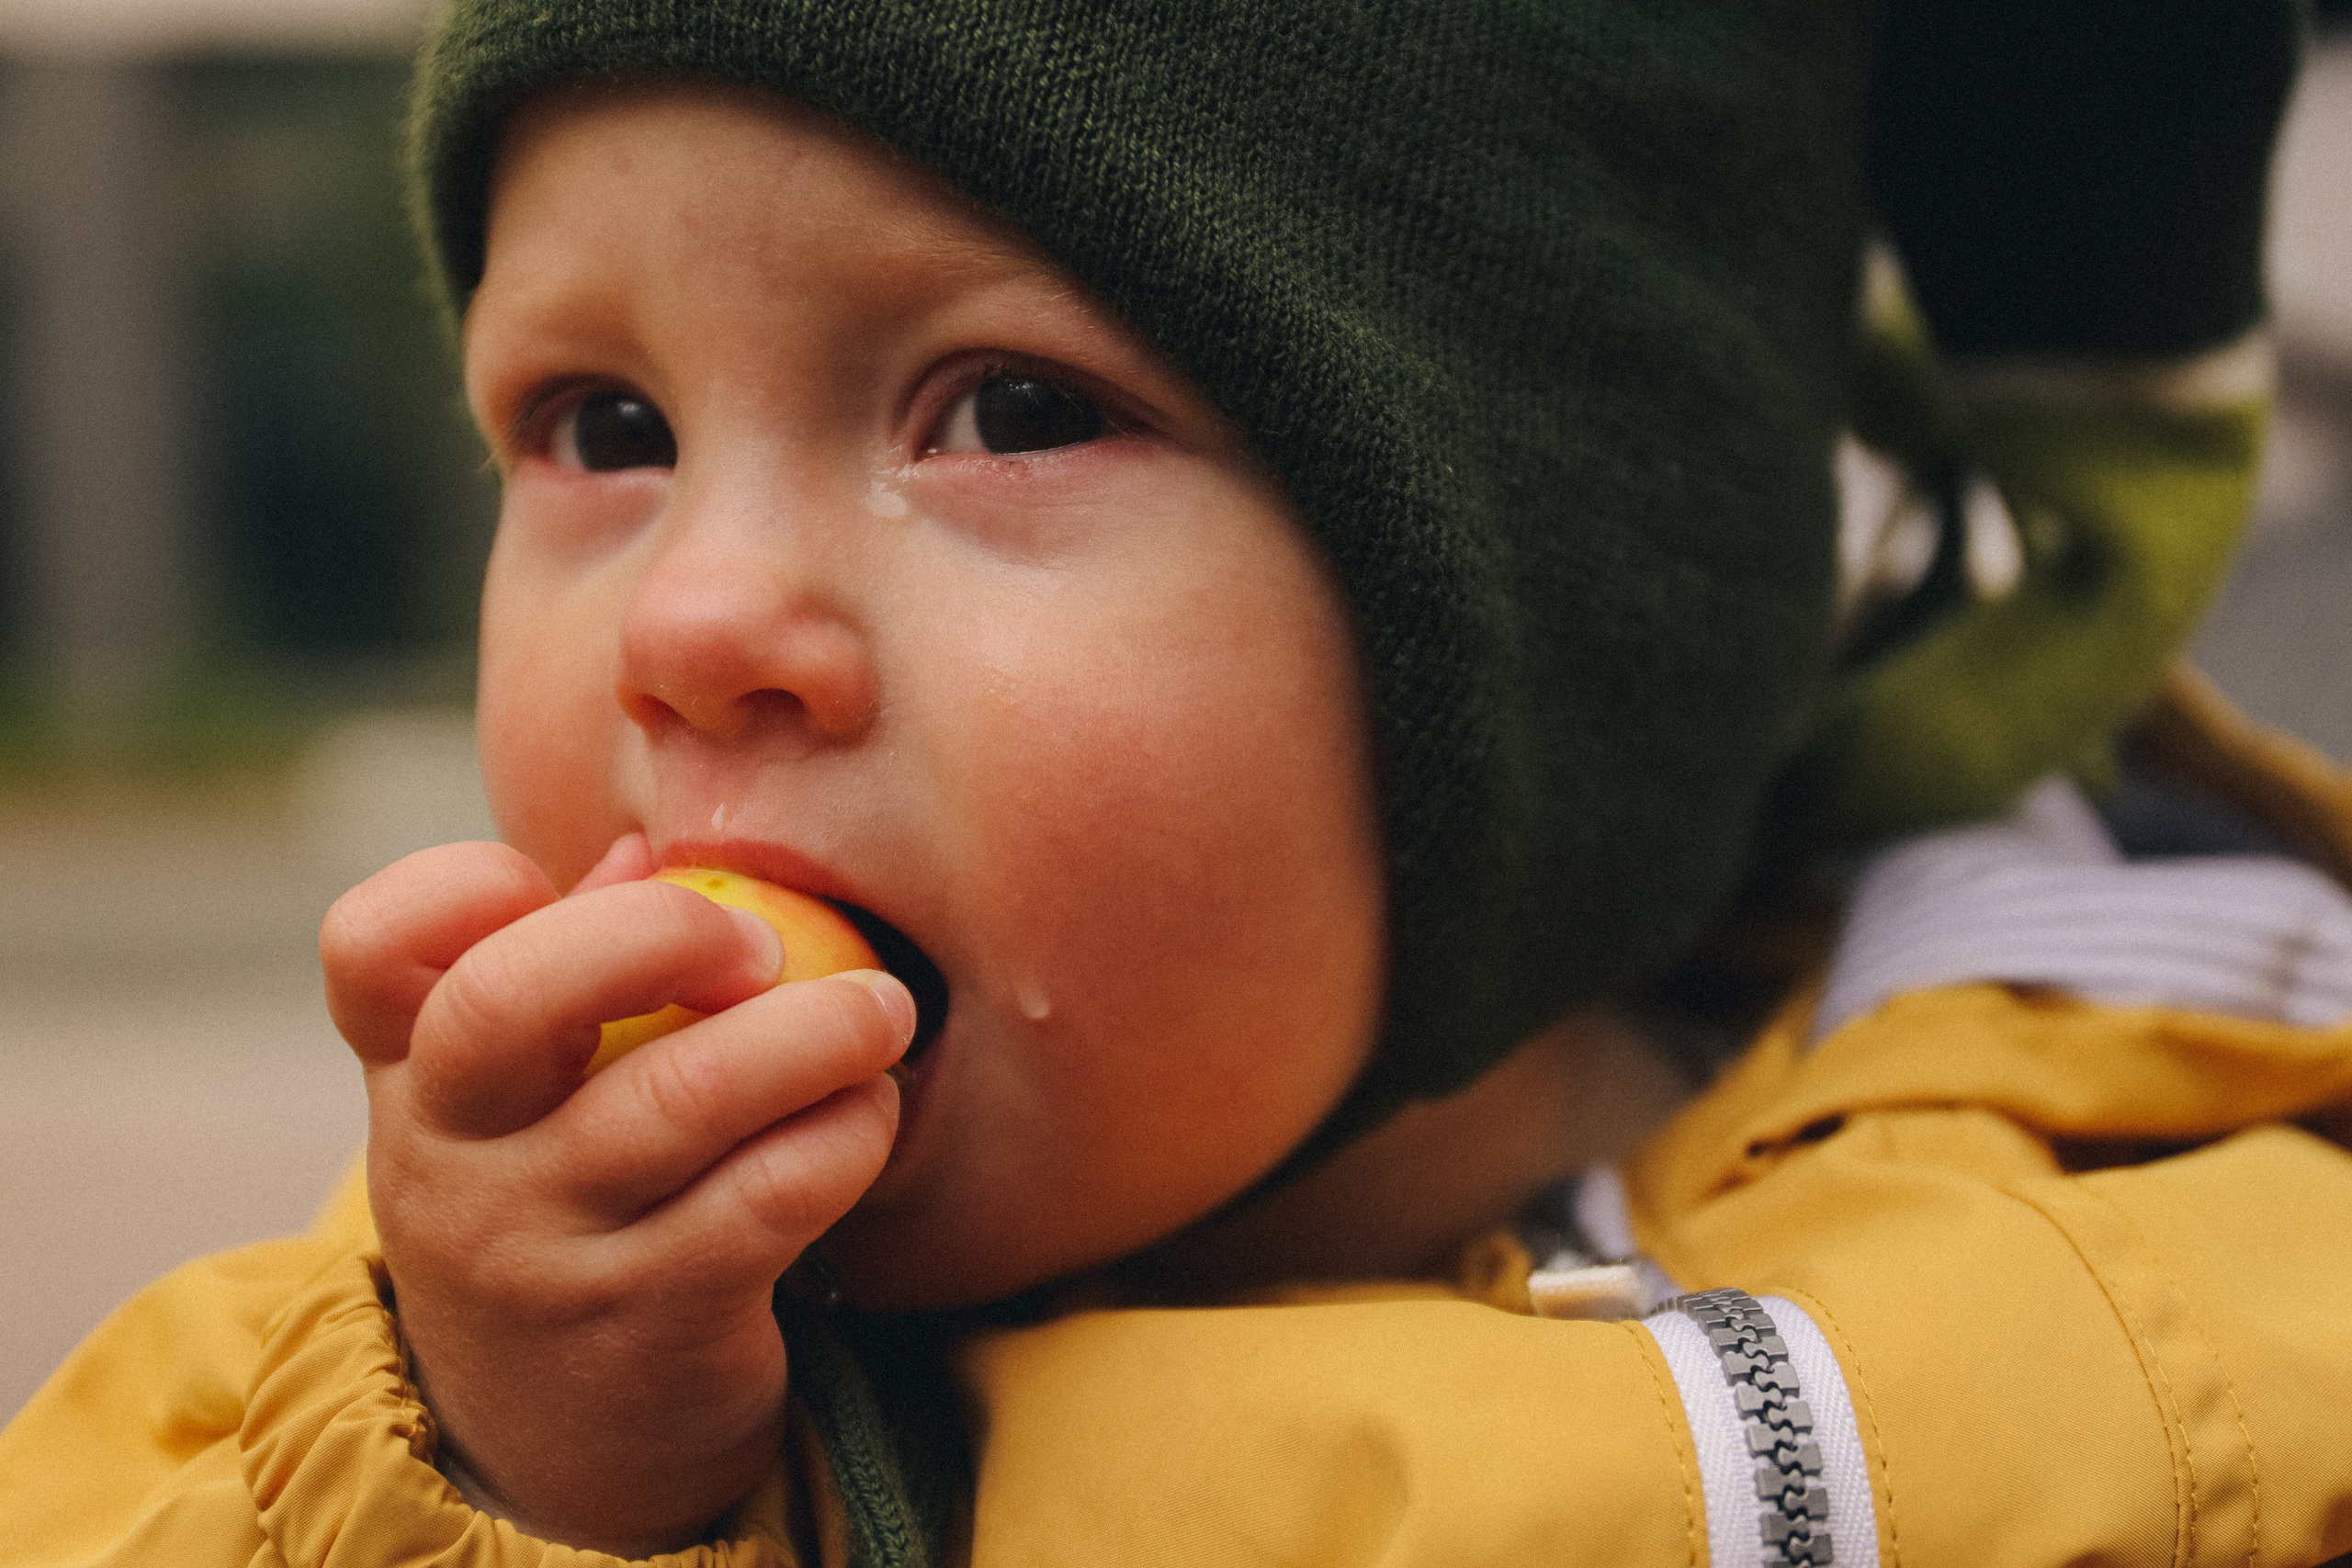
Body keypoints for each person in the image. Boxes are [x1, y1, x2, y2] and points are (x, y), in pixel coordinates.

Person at [6, 3, 2350, 1564]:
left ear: (1576, 637)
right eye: (603, 428)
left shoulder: (2170, 1306)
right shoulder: (421, 1358)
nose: (692, 624)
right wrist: (544, 1486)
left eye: (1007, 409)